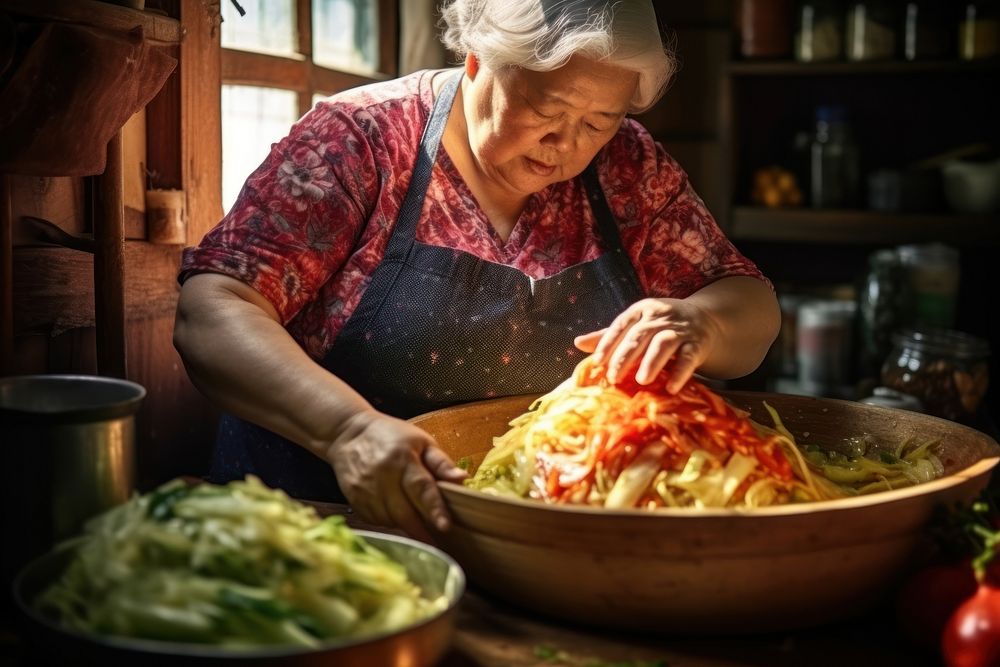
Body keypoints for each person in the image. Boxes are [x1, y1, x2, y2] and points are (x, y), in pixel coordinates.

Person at [173, 0, 781, 541]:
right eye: (548, 107)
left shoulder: (629, 165)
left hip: (524, 543)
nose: (565, 143)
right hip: (310, 525)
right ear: (476, 60)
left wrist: (701, 323)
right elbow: (213, 311)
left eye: (599, 121)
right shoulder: (360, 141)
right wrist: (348, 431)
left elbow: (747, 303)